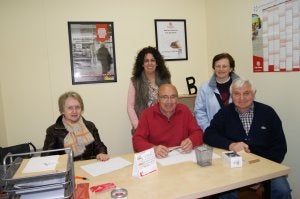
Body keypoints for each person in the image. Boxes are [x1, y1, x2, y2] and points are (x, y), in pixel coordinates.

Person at [204, 77, 292, 199]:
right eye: (237, 94)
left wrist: (262, 169)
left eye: (246, 93)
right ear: (231, 95)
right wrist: (231, 145)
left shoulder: (268, 113)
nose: (241, 98)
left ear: (254, 94)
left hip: (265, 166)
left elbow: (280, 147)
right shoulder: (225, 113)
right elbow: (208, 135)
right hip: (233, 167)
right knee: (225, 193)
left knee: (282, 191)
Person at [132, 84, 203, 158]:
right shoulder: (147, 114)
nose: (169, 101)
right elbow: (137, 140)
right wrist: (153, 149)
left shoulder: (184, 110)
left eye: (173, 97)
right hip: (158, 159)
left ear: (177, 99)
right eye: (164, 97)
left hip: (181, 157)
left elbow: (198, 132)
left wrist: (192, 141)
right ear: (158, 99)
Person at [43, 91, 109, 161]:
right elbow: (47, 157)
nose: (74, 111)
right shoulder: (53, 131)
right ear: (62, 110)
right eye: (70, 108)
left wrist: (101, 153)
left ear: (81, 109)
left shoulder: (90, 126)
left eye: (77, 107)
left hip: (88, 167)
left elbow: (99, 146)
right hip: (66, 169)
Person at [127, 46, 171, 133]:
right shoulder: (135, 81)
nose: (149, 63)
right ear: (142, 64)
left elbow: (170, 102)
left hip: (163, 126)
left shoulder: (165, 80)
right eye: (146, 61)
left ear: (157, 63)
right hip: (143, 127)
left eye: (152, 60)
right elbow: (130, 107)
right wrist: (138, 127)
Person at [194, 53, 239, 131]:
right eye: (218, 66)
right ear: (214, 68)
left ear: (231, 68)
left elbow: (248, 108)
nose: (221, 69)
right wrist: (209, 129)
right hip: (213, 131)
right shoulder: (205, 87)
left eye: (224, 66)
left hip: (237, 131)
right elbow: (199, 111)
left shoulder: (241, 86)